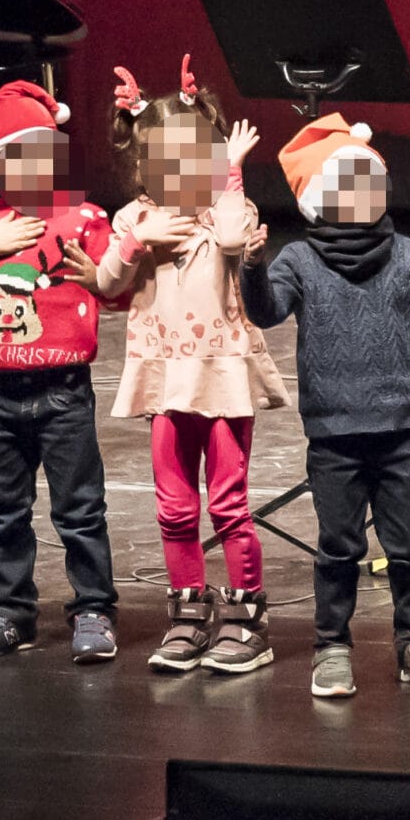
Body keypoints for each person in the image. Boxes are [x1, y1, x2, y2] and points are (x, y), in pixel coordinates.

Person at [241, 115, 410, 697]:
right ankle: (332, 646)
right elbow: (266, 312)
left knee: (408, 547)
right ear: (321, 197)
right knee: (339, 547)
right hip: (334, 434)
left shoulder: (404, 254)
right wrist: (252, 268)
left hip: (397, 432)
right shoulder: (299, 260)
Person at [94, 58, 285, 675]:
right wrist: (137, 241)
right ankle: (188, 613)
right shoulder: (136, 218)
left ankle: (248, 619)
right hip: (166, 380)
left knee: (228, 504)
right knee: (175, 508)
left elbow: (231, 242)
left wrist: (232, 176)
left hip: (222, 377)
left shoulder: (230, 209)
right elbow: (106, 282)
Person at [0, 80, 122, 662]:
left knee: (80, 509)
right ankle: (12, 612)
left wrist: (106, 272)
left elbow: (119, 293)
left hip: (63, 393)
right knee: (2, 512)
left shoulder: (84, 216)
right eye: (17, 159)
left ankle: (93, 608)